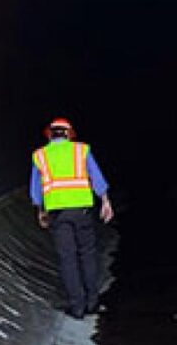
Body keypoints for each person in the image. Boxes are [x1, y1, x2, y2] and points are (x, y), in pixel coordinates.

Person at [28, 117, 113, 319]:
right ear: (68, 133)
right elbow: (96, 177)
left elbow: (36, 189)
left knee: (68, 258)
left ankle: (77, 307)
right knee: (87, 253)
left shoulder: (40, 155)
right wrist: (105, 201)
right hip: (82, 210)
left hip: (58, 214)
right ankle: (92, 301)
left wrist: (41, 211)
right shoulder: (81, 150)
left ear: (50, 134)